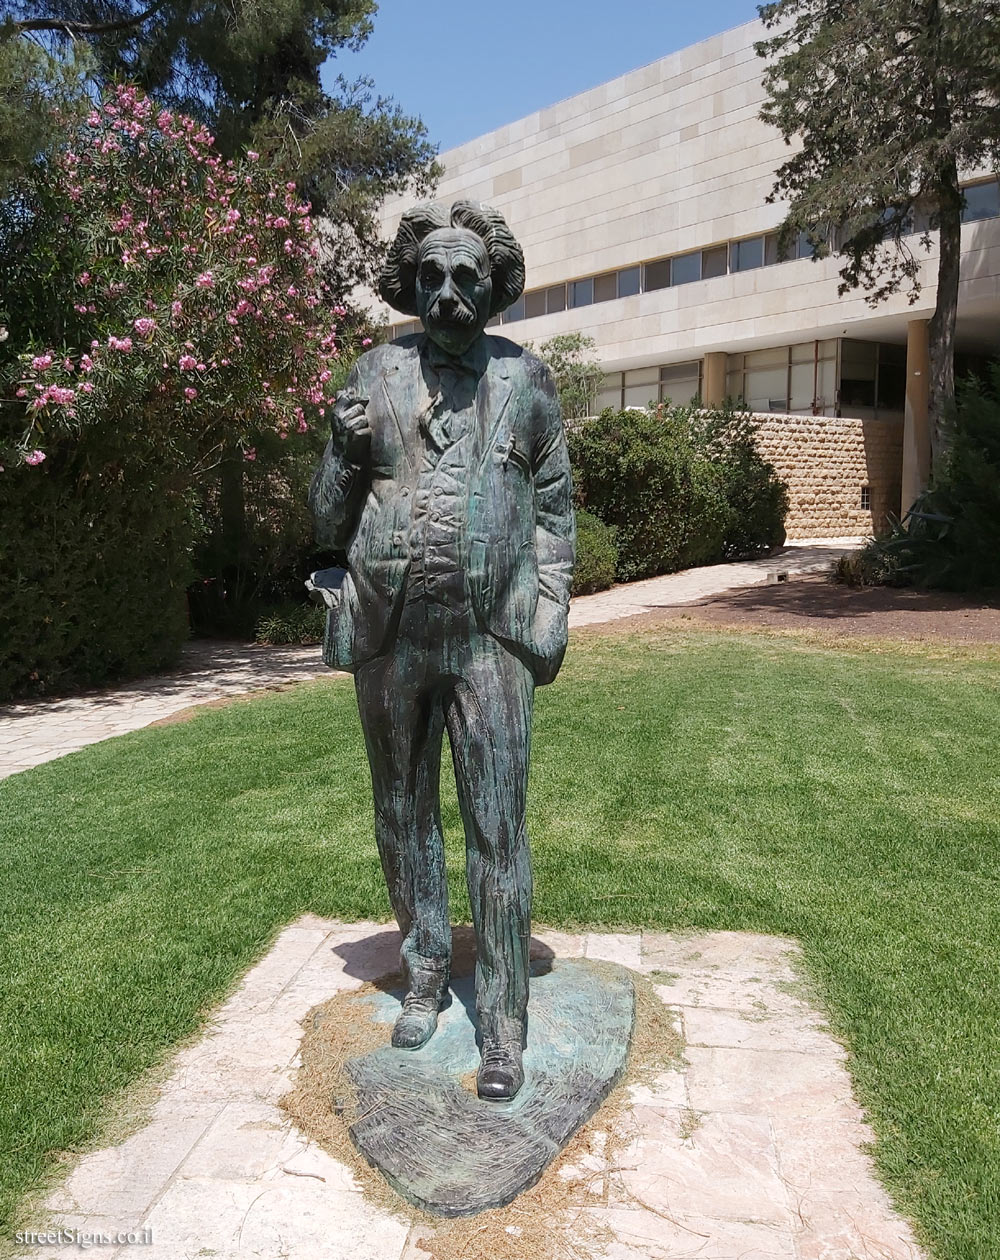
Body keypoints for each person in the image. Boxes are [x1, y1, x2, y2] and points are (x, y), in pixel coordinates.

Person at [308, 200, 575, 1100]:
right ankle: (423, 973)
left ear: (494, 287)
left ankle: (503, 1025)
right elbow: (319, 519)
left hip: (491, 636)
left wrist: (546, 617)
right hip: (392, 631)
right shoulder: (370, 374)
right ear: (411, 283)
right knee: (402, 814)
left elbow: (554, 512)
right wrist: (341, 460)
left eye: (468, 278)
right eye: (433, 276)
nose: (450, 293)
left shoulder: (528, 380)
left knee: (496, 828)